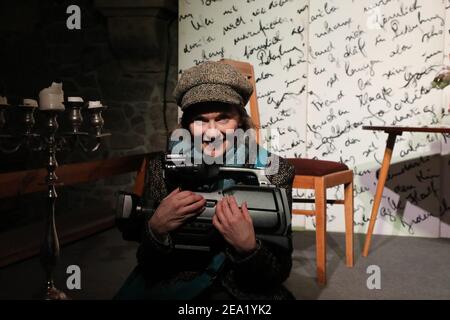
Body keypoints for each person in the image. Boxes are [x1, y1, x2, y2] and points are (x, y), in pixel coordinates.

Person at [115, 61, 295, 300]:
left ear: (240, 121)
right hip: (176, 280)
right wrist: (156, 230)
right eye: (200, 120)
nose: (211, 133)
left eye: (223, 119)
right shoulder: (164, 168)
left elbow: (276, 272)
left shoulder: (273, 170)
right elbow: (149, 264)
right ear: (187, 125)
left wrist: (248, 248)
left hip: (241, 285)